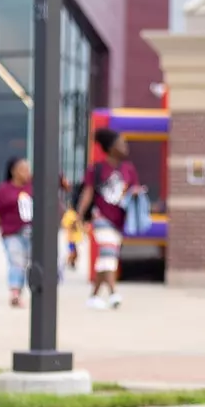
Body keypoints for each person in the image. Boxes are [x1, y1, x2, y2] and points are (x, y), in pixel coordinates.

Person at [77, 129, 142, 310]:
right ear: (111, 148)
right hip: (101, 217)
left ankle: (94, 297)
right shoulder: (97, 168)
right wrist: (79, 214)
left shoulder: (129, 169)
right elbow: (88, 192)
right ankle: (113, 293)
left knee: (107, 256)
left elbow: (134, 189)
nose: (125, 147)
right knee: (109, 253)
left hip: (119, 219)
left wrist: (136, 193)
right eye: (121, 144)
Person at [0, 158, 34, 307]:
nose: (26, 172)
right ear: (13, 171)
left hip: (32, 232)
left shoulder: (34, 187)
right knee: (16, 261)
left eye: (27, 169)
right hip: (12, 233)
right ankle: (15, 293)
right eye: (22, 169)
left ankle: (31, 289)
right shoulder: (3, 190)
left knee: (31, 262)